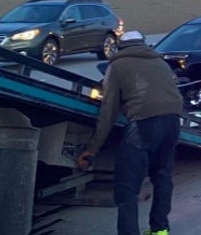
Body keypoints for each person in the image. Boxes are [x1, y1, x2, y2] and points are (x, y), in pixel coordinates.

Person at [78, 31, 183, 235]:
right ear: (143, 44)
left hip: (143, 124)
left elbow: (108, 112)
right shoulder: (160, 63)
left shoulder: (117, 66)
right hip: (172, 122)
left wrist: (92, 149)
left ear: (120, 47)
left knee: (126, 187)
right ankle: (160, 229)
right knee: (162, 175)